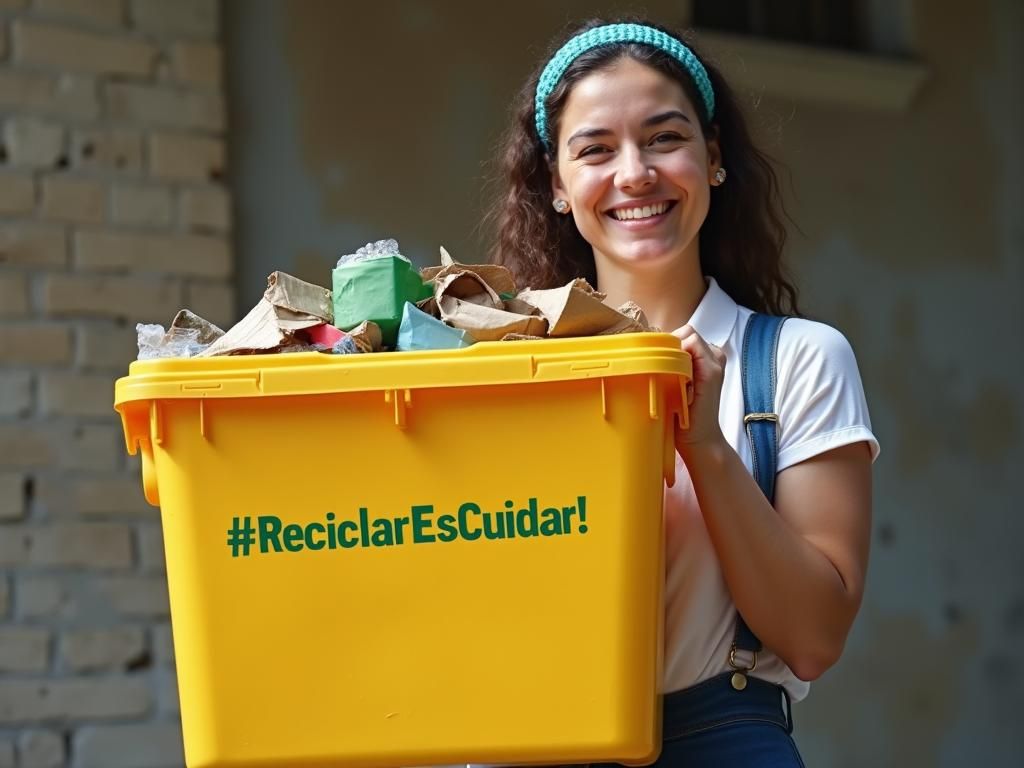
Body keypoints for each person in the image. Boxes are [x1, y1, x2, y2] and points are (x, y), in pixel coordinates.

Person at [487, 18, 880, 767]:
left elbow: (813, 639)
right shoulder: (499, 370)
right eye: (596, 149)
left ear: (714, 157)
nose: (634, 173)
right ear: (556, 185)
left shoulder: (797, 361)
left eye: (665, 138)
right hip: (533, 742)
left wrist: (704, 447)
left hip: (723, 740)